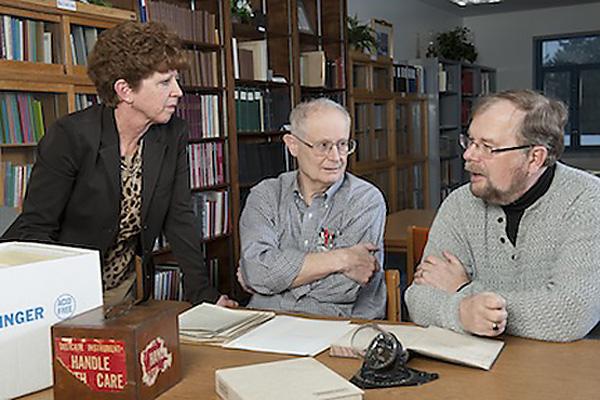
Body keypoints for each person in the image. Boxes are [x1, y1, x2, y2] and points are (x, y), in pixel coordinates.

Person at [2, 21, 235, 308]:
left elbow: (180, 217)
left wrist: (204, 296)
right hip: (57, 290)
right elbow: (36, 229)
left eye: (175, 80)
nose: (178, 92)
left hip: (120, 288)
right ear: (125, 90)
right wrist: (57, 299)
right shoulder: (71, 136)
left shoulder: (173, 133)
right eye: (164, 82)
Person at [405, 89, 600, 342]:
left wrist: (464, 291)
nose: (469, 155)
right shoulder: (459, 203)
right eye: (470, 141)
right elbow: (418, 299)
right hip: (477, 368)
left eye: (487, 147)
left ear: (534, 158)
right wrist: (463, 311)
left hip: (564, 371)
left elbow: (570, 314)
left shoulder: (588, 200)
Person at [237, 98, 387, 319]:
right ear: (292, 145)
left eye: (343, 144)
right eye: (323, 146)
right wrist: (342, 259)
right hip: (266, 321)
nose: (336, 157)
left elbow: (344, 288)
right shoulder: (265, 195)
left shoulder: (365, 199)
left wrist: (270, 281)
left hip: (337, 324)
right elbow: (257, 271)